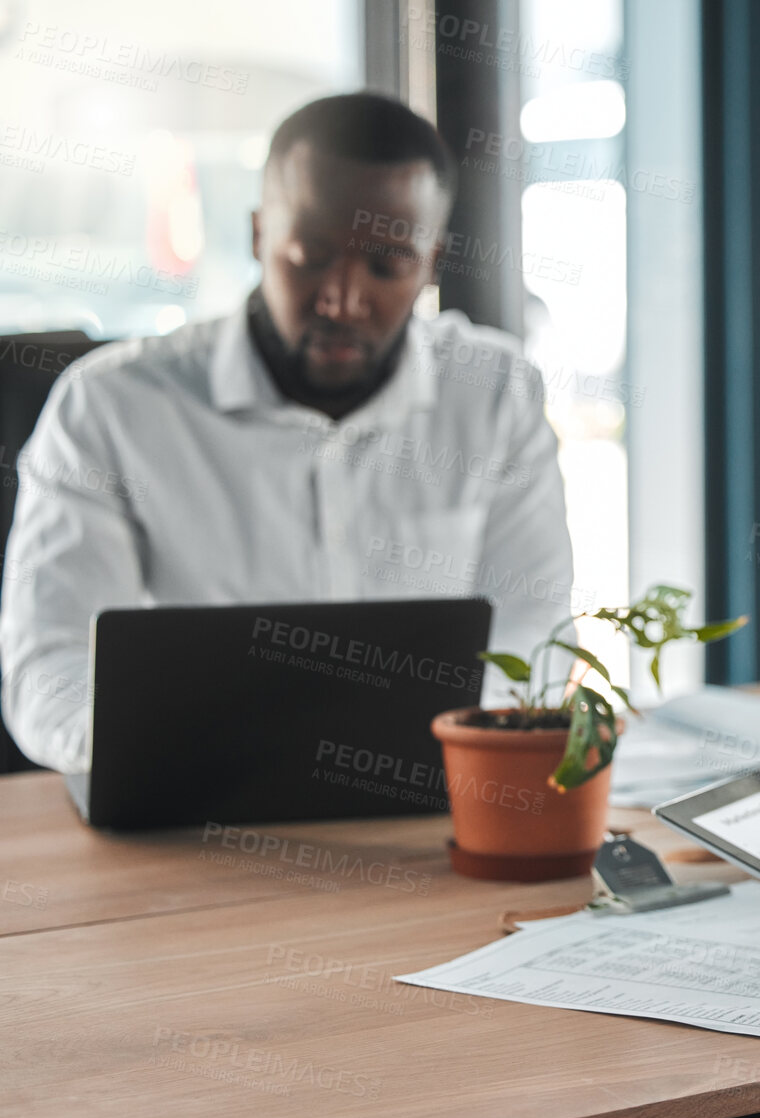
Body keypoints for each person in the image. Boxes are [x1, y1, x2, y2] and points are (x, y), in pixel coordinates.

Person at [0, 93, 576, 773]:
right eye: (309, 255)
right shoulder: (109, 406)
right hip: (191, 805)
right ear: (257, 237)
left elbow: (532, 634)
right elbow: (49, 668)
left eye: (386, 264)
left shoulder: (496, 396)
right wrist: (154, 753)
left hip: (424, 806)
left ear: (432, 262)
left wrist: (451, 746)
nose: (341, 296)